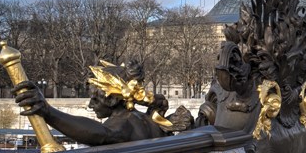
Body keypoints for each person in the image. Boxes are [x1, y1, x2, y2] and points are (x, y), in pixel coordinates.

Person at [12, 60, 187, 146]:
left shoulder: (123, 123)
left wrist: (49, 112)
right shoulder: (147, 119)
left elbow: (100, 133)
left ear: (111, 99)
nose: (90, 105)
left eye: (95, 99)